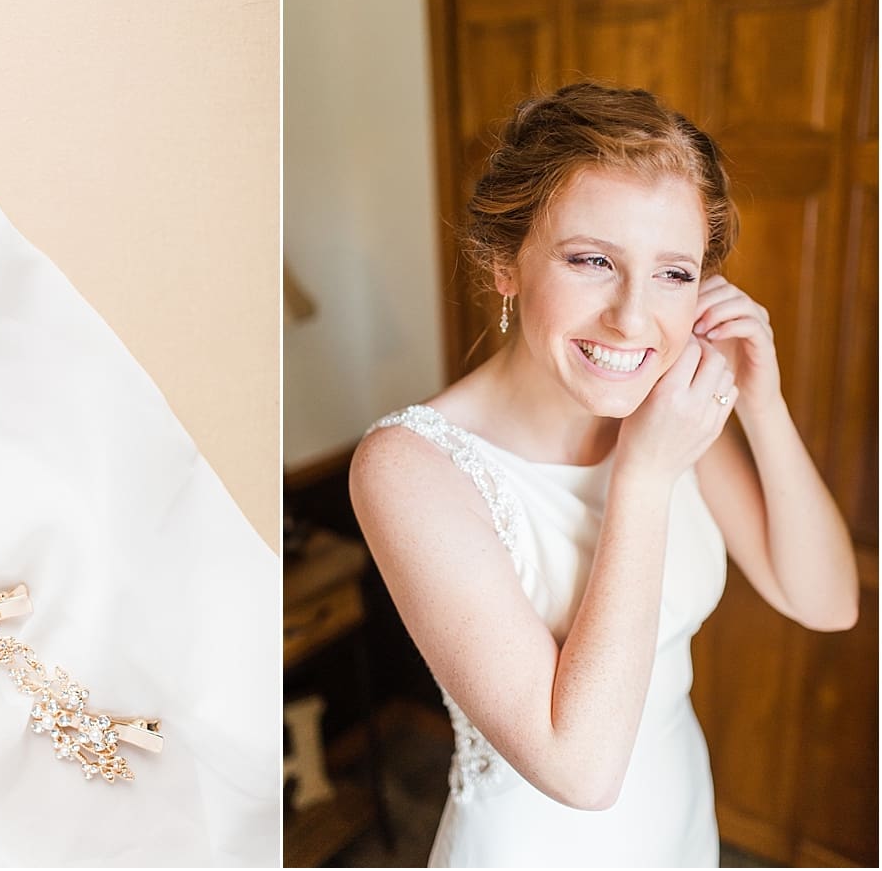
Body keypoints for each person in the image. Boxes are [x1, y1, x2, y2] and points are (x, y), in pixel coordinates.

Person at [349, 82, 859, 867]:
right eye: (593, 260)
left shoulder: (669, 406)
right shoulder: (409, 468)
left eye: (673, 273)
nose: (633, 317)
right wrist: (645, 477)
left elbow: (826, 602)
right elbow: (579, 769)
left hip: (680, 818)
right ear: (503, 263)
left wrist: (763, 404)